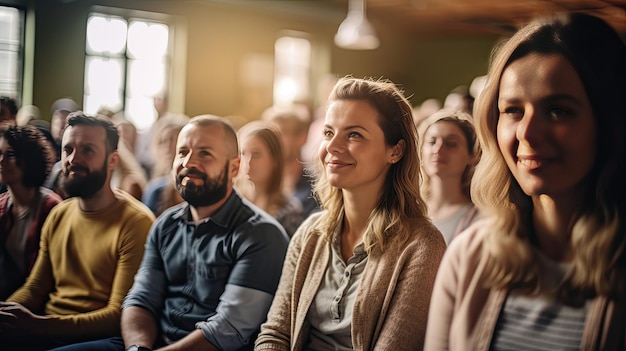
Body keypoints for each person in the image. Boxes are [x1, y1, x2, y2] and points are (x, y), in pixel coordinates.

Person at [425, 13, 626, 350]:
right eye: (513, 110)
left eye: (558, 111)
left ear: (609, 123)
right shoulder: (469, 258)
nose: (528, 134)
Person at [255, 77, 447, 350]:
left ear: (395, 151)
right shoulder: (311, 233)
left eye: (354, 134)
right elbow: (275, 333)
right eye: (328, 132)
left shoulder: (421, 245)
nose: (332, 147)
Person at [75, 115, 289, 351]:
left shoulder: (261, 234)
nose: (189, 162)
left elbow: (227, 331)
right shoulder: (165, 224)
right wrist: (137, 347)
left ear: (234, 167)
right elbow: (141, 300)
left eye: (205, 153)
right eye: (183, 151)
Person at [0, 112, 155, 350]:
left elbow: (117, 315)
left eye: (87, 150)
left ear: (112, 160)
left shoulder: (136, 222)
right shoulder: (60, 214)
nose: (73, 159)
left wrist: (40, 326)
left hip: (101, 338)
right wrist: (6, 313)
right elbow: (35, 288)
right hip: (48, 327)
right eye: (68, 149)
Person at [0, 124, 61, 299]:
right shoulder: (2, 205)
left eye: (9, 155)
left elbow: (47, 279)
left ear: (28, 159)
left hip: (39, 301)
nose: (1, 161)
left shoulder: (52, 208)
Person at [417, 109, 480, 244]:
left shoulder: (477, 219)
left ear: (472, 155)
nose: (438, 150)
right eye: (432, 142)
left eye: (451, 144)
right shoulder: (407, 211)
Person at [236, 120, 304, 237]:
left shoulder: (288, 213)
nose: (248, 162)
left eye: (256, 154)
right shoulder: (231, 204)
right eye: (243, 153)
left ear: (274, 160)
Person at [262, 103, 320, 217]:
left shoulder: (316, 188)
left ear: (302, 137)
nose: (273, 141)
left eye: (281, 133)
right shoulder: (259, 182)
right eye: (270, 135)